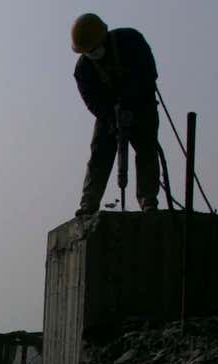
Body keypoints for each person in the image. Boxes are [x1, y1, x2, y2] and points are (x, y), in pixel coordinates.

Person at [71, 13, 161, 215]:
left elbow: (149, 75)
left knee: (147, 149)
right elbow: (92, 102)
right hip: (109, 114)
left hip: (141, 106)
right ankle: (89, 203)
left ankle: (148, 200)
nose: (92, 53)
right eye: (87, 51)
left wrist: (132, 102)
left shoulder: (131, 41)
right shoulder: (84, 69)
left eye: (94, 47)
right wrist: (112, 118)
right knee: (100, 154)